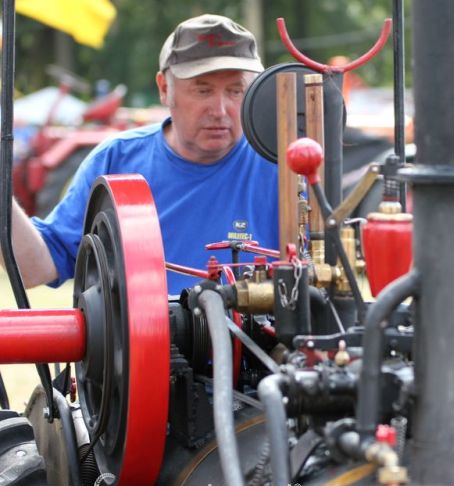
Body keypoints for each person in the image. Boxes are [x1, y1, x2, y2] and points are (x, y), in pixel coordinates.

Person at [2, 14, 279, 294]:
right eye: (203, 90)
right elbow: (33, 267)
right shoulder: (116, 161)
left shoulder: (281, 166)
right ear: (164, 88)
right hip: (136, 339)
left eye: (235, 91)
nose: (220, 110)